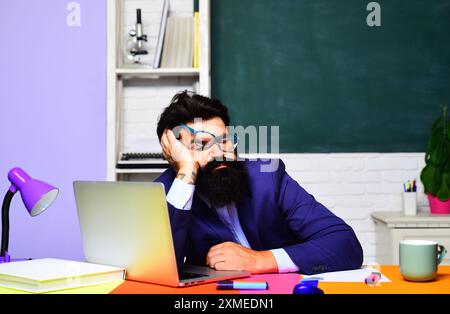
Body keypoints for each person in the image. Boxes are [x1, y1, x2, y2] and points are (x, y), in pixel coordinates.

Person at [155, 90, 363, 275]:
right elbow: (158, 269)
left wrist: (261, 260)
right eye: (202, 144)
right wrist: (186, 172)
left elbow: (345, 244)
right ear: (175, 153)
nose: (220, 153)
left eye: (224, 140)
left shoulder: (269, 178)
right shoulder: (167, 192)